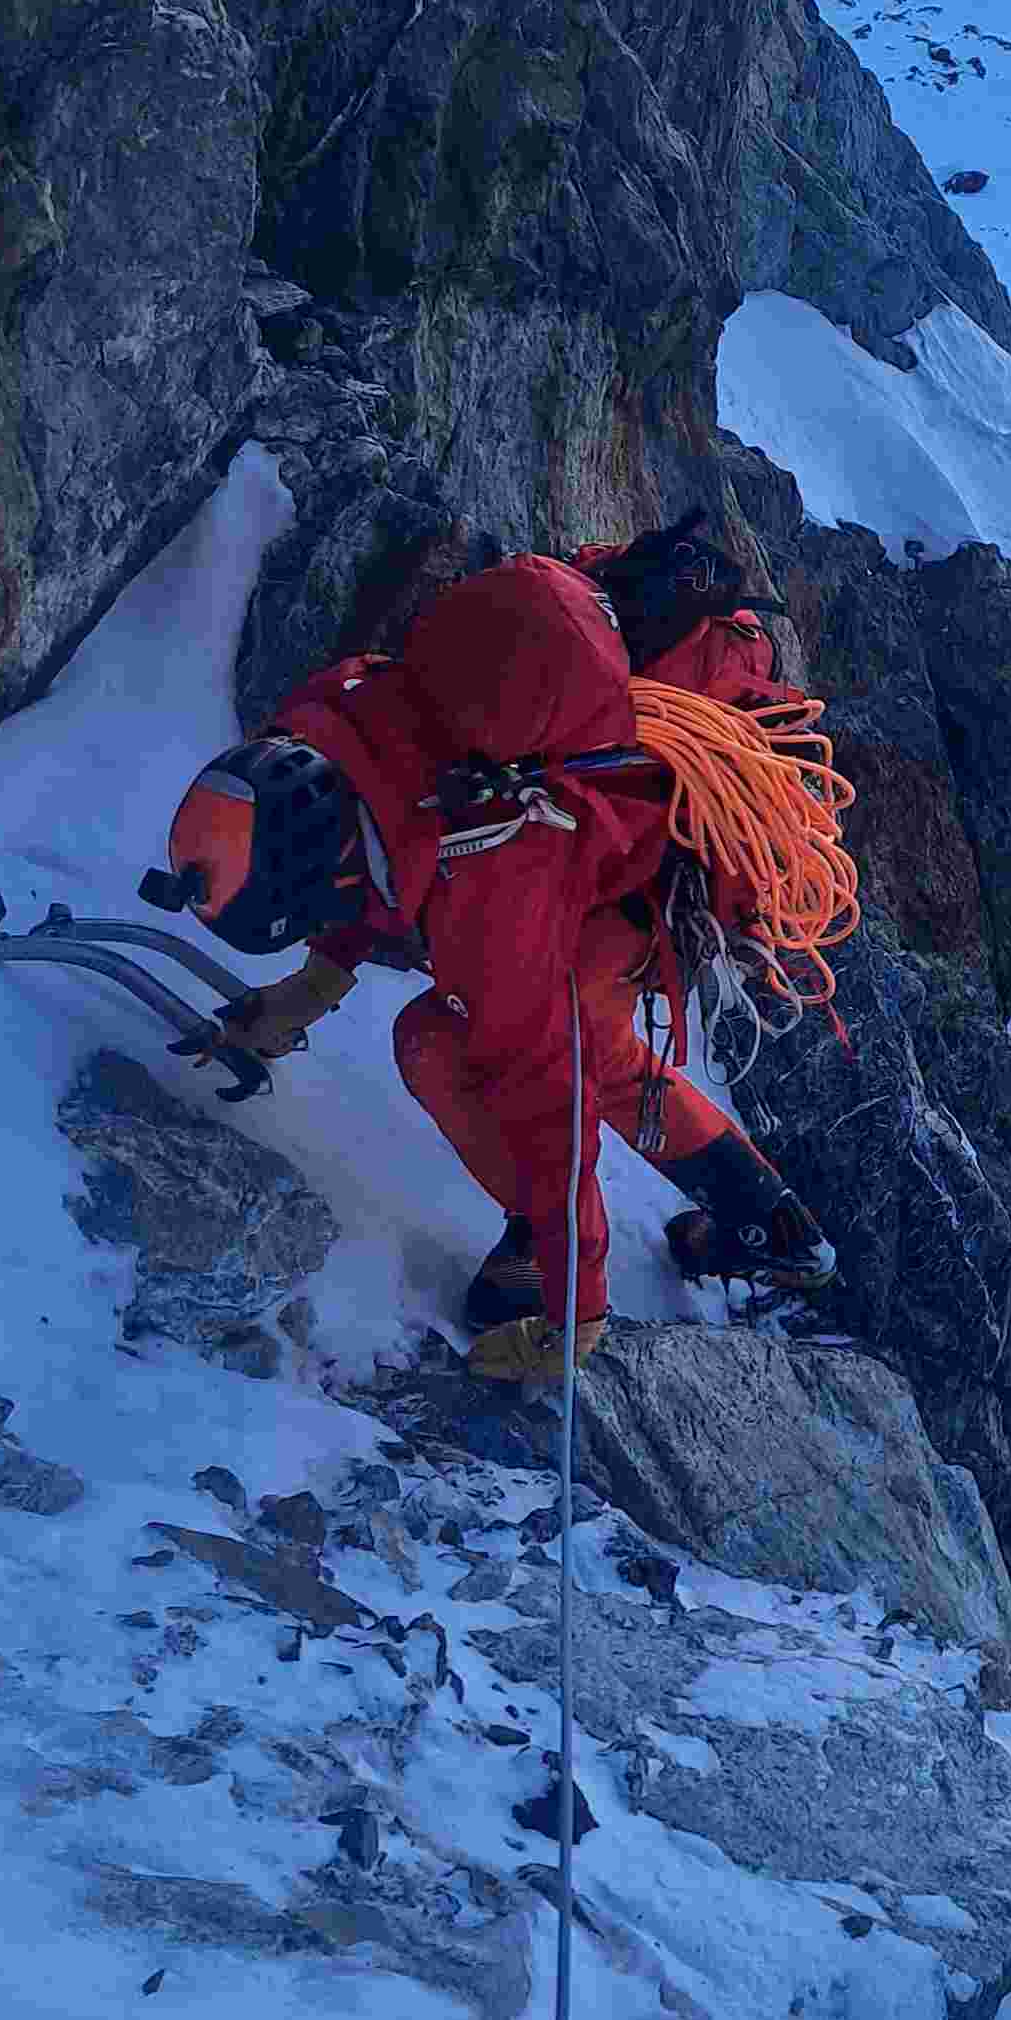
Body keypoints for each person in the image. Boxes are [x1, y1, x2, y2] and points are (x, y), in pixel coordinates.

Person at [142, 515, 855, 1387]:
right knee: (585, 1042)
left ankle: (565, 1239)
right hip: (586, 822)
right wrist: (310, 989)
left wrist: (574, 1309)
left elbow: (547, 1094)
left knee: (460, 1044)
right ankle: (766, 1219)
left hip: (635, 856)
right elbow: (382, 827)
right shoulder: (342, 714)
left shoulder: (489, 881)